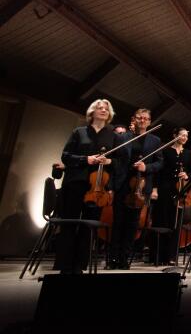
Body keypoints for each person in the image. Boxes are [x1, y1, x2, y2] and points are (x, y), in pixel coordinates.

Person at [56, 99, 121, 273]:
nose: (103, 110)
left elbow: (119, 163)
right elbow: (66, 156)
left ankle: (79, 265)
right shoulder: (79, 132)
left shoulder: (113, 135)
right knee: (70, 223)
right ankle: (64, 265)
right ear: (92, 112)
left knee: (88, 227)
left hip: (98, 188)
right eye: (99, 108)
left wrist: (109, 161)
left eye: (106, 109)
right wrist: (86, 159)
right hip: (76, 182)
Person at [109, 107, 162, 269]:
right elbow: (115, 161)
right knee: (118, 222)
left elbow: (160, 163)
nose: (142, 121)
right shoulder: (122, 137)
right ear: (134, 119)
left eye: (146, 118)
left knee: (132, 224)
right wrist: (111, 186)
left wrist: (146, 167)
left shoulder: (155, 141)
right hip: (123, 184)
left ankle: (124, 258)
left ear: (150, 121)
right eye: (139, 118)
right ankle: (113, 258)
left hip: (140, 186)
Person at [154, 127, 191, 265]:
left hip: (181, 191)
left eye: (186, 136)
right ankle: (160, 256)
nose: (184, 138)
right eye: (181, 135)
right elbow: (159, 171)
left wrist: (187, 174)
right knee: (164, 220)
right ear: (174, 135)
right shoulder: (165, 151)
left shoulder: (189, 154)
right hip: (166, 189)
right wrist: (155, 188)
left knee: (176, 222)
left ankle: (172, 256)